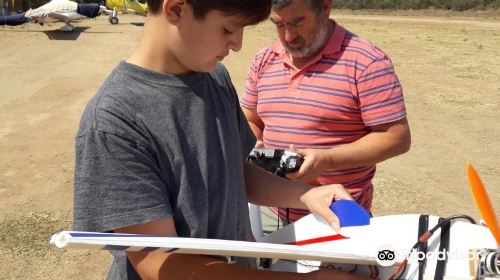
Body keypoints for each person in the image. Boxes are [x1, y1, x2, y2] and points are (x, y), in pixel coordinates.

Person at [72, 0, 371, 279]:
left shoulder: (215, 78)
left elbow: (235, 171)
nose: (238, 44)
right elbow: (158, 262)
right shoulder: (114, 122)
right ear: (176, 9)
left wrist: (305, 195)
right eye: (228, 29)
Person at [240, 0, 411, 223]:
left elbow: (396, 137)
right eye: (278, 24)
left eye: (297, 22)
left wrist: (327, 159)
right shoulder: (264, 59)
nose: (288, 36)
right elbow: (252, 119)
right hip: (271, 214)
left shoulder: (367, 62)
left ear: (325, 7)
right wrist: (252, 143)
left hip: (339, 213)